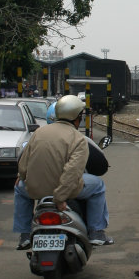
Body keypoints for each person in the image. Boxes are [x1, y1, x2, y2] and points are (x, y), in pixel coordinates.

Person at [13, 94, 113, 249]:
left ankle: (25, 234)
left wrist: (22, 177)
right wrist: (59, 198)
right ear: (77, 117)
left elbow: (24, 163)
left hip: (35, 189)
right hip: (65, 192)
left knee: (19, 189)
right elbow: (72, 172)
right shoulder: (78, 138)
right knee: (98, 185)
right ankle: (96, 232)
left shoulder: (39, 133)